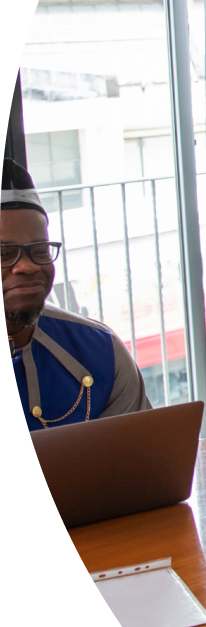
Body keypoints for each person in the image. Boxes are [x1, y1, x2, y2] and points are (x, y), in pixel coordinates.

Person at [5, 157, 151, 430]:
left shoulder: (100, 351)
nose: (27, 266)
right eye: (3, 254)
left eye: (39, 250)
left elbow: (141, 464)